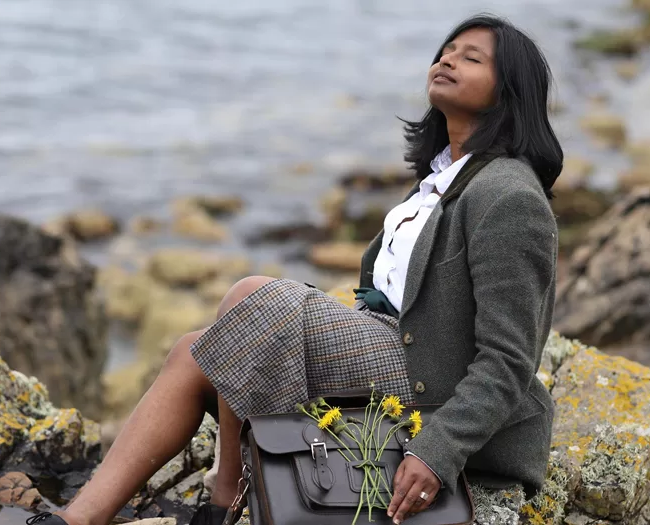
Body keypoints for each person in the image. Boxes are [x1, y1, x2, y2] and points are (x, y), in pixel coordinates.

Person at [28, 13, 561, 525]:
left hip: (432, 388)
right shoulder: (442, 180)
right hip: (393, 354)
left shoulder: (508, 195)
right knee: (194, 352)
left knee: (252, 294)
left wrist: (438, 451)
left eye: (471, 59)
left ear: (508, 91)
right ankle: (80, 518)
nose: (446, 61)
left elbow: (510, 360)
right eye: (445, 51)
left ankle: (225, 488)